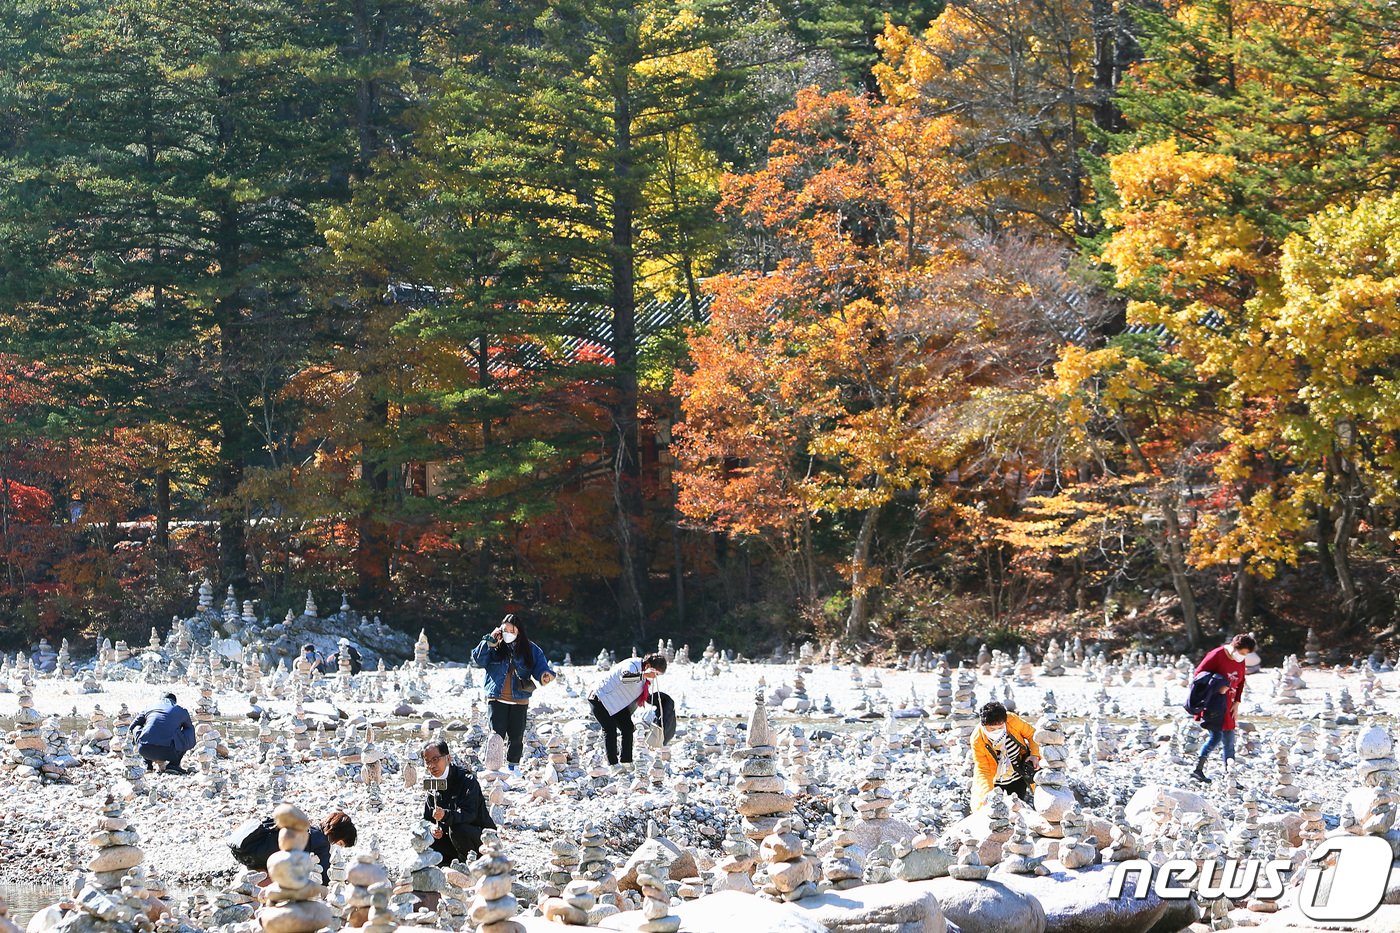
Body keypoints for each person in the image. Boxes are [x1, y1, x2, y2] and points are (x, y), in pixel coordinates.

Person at [472, 614, 555, 771]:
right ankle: (493, 767)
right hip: (496, 697)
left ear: (519, 631)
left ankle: (513, 767)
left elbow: (541, 667)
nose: (508, 633)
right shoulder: (494, 645)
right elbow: (478, 658)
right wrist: (489, 640)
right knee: (496, 735)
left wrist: (545, 675)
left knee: (516, 737)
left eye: (512, 630)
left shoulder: (531, 649)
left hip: (520, 699)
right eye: (505, 630)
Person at [1191, 633, 1256, 782]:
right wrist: (1217, 686)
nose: (1242, 656)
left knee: (1229, 740)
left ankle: (1230, 776)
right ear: (1234, 647)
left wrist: (1237, 703)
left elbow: (1240, 681)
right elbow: (1198, 675)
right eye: (1242, 653)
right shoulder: (1217, 655)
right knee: (1216, 736)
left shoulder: (1240, 660)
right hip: (1214, 703)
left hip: (1230, 705)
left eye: (1246, 654)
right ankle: (1198, 770)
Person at [229, 811, 357, 884]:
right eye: (340, 844)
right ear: (338, 835)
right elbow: (325, 878)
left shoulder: (307, 829)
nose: (337, 848)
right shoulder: (322, 842)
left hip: (245, 852)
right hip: (256, 857)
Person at [420, 740, 495, 864]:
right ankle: (449, 865)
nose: (431, 766)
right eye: (427, 762)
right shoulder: (432, 785)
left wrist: (445, 815)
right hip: (451, 841)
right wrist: (432, 828)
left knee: (457, 828)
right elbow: (427, 818)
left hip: (480, 839)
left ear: (448, 758)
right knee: (423, 836)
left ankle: (471, 865)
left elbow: (470, 814)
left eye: (435, 759)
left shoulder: (467, 780)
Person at [588, 653, 667, 767]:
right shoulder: (632, 664)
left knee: (628, 727)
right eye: (655, 673)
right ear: (648, 666)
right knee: (610, 729)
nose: (655, 677)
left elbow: (638, 696)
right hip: (599, 698)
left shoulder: (645, 679)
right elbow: (625, 677)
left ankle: (626, 762)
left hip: (616, 703)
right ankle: (613, 764)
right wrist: (644, 675)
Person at [970, 701, 1040, 809]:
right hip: (996, 782)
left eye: (1000, 727)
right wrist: (987, 793)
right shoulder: (977, 739)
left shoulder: (1012, 720)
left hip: (1018, 775)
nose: (997, 731)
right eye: (992, 729)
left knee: (1018, 808)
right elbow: (983, 769)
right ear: (983, 725)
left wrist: (1035, 755)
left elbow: (1032, 734)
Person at [131, 692, 196, 774]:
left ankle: (147, 764)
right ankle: (174, 765)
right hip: (170, 752)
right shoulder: (181, 710)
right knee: (189, 730)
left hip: (144, 750)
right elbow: (189, 729)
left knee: (140, 728)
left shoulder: (149, 707)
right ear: (174, 701)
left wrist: (134, 742)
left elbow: (133, 726)